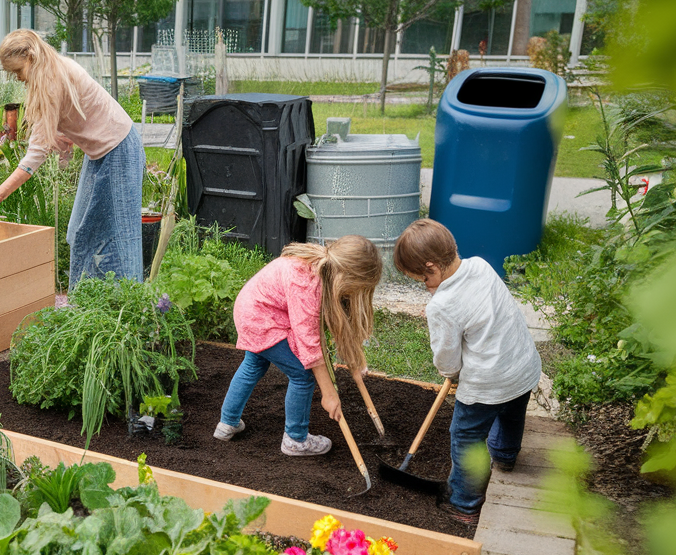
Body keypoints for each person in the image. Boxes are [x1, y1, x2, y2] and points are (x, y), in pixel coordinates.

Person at [393, 219, 541, 525]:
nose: (425, 286)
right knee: (512, 412)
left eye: (421, 279)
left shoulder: (442, 304)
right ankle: (505, 455)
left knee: (466, 436)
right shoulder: (481, 266)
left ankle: (464, 504)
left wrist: (451, 371)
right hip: (522, 365)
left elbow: (447, 359)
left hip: (488, 382)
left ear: (431, 268)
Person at [0, 29, 144, 285]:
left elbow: (35, 156)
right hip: (101, 153)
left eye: (17, 71)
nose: (17, 79)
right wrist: (2, 148)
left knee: (119, 237)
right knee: (79, 232)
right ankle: (86, 304)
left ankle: (128, 308)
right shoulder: (52, 69)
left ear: (29, 56)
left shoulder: (50, 80)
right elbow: (49, 132)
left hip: (119, 149)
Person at [214, 236, 382, 456]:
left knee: (254, 364)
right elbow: (309, 345)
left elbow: (339, 323)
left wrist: (356, 361)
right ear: (347, 277)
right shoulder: (307, 284)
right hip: (263, 319)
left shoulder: (326, 265)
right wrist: (329, 393)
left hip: (251, 310)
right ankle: (295, 439)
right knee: (303, 374)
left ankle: (227, 424)